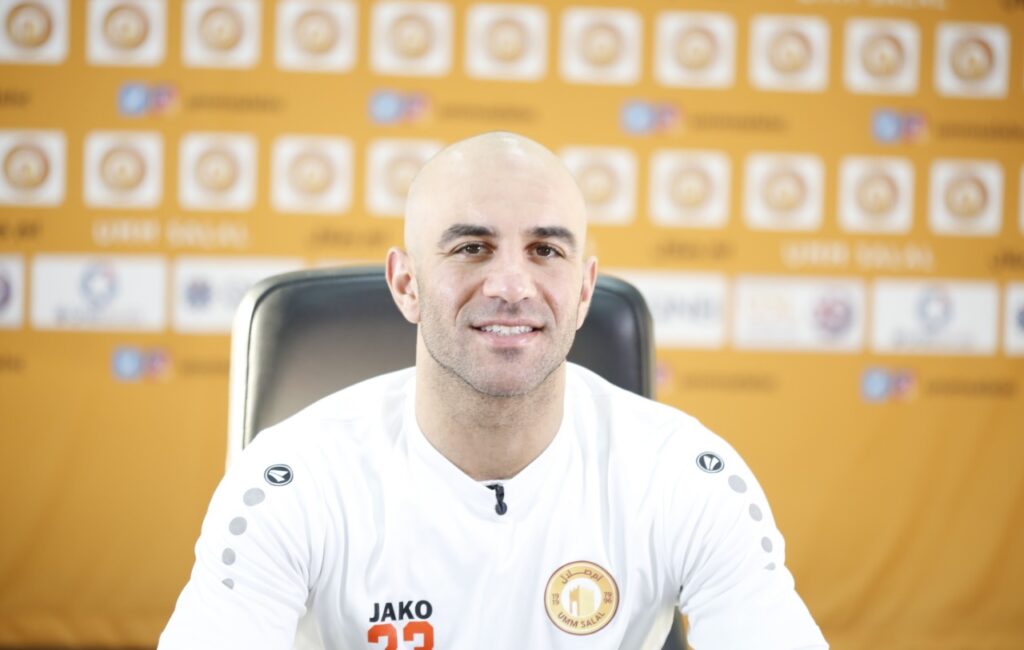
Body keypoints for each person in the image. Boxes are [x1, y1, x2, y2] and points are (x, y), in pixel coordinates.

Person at [159, 132, 828, 649]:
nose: (511, 285)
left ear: (584, 290)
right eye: (471, 248)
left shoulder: (684, 476)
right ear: (406, 284)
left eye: (546, 251)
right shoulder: (293, 480)